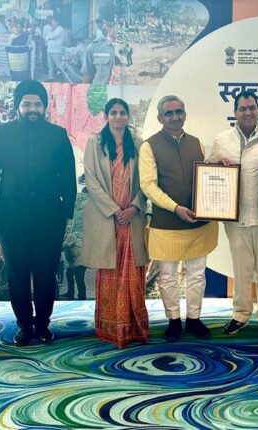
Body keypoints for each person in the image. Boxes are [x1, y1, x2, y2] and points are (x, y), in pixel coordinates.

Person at [0, 80, 76, 346]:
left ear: (44, 106)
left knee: (46, 273)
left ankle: (43, 324)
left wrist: (66, 211)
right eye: (27, 104)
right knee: (18, 273)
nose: (32, 109)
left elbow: (68, 176)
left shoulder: (57, 134)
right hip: (11, 216)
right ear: (18, 106)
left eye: (37, 104)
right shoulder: (2, 133)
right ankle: (24, 325)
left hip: (50, 217)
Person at [207, 90, 258, 338]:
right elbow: (208, 169)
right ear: (235, 112)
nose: (248, 112)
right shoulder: (222, 140)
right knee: (241, 269)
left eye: (252, 107)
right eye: (242, 108)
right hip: (235, 218)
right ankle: (240, 315)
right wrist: (218, 166)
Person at [139, 95, 218, 342]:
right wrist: (175, 208)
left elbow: (207, 177)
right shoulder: (149, 146)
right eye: (169, 113)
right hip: (167, 223)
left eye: (178, 112)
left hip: (199, 222)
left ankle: (194, 318)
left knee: (197, 275)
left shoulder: (197, 144)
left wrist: (220, 169)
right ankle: (173, 320)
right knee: (167, 276)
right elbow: (148, 185)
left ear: (185, 115)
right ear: (160, 118)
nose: (175, 117)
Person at [82, 98, 149, 348]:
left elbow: (147, 180)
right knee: (110, 272)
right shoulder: (95, 142)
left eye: (122, 112)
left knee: (133, 274)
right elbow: (91, 180)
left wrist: (134, 207)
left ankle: (134, 327)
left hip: (132, 219)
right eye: (114, 112)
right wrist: (114, 210)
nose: (118, 116)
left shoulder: (138, 143)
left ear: (128, 116)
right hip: (106, 218)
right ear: (107, 116)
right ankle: (109, 327)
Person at [82, 11, 116, 84]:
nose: (103, 28)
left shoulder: (137, 50)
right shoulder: (94, 48)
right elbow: (87, 76)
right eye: (108, 26)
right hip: (100, 90)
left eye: (113, 26)